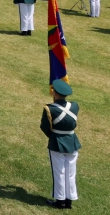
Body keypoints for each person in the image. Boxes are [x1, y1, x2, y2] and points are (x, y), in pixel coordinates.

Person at [41, 79, 80, 208]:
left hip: (57, 142)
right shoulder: (75, 106)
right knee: (70, 172)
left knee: (59, 172)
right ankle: (69, 200)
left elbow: (44, 127)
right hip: (72, 141)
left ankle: (60, 200)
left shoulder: (49, 108)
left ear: (54, 93)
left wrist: (53, 136)